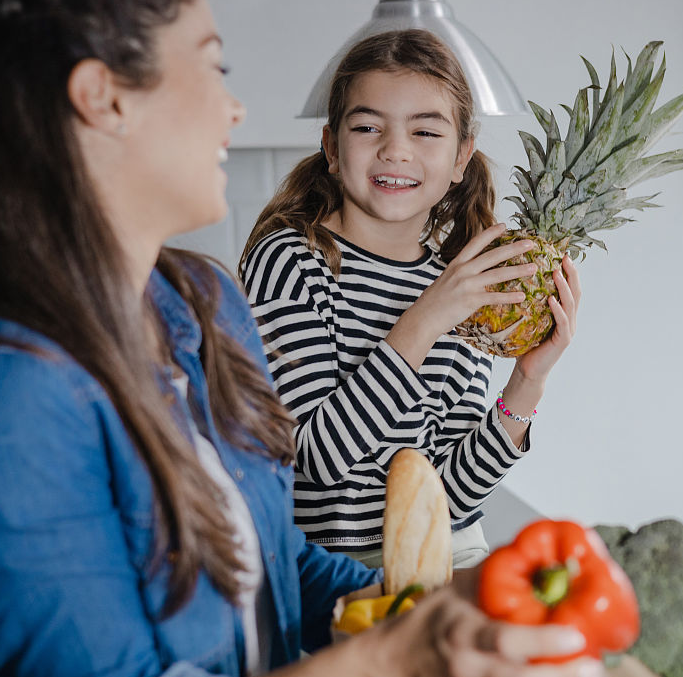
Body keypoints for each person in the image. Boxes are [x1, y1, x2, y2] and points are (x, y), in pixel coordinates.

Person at [0, 0, 604, 677]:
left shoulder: (196, 303)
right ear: (104, 97)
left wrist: (446, 609)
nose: (236, 109)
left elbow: (275, 559)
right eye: (213, 68)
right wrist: (401, 657)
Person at [239, 30, 582, 568]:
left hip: (445, 553)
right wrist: (424, 321)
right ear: (332, 147)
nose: (395, 149)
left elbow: (449, 499)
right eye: (367, 126)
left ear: (461, 157)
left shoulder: (460, 278)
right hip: (329, 571)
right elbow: (315, 463)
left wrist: (527, 382)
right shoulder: (291, 261)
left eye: (426, 131)